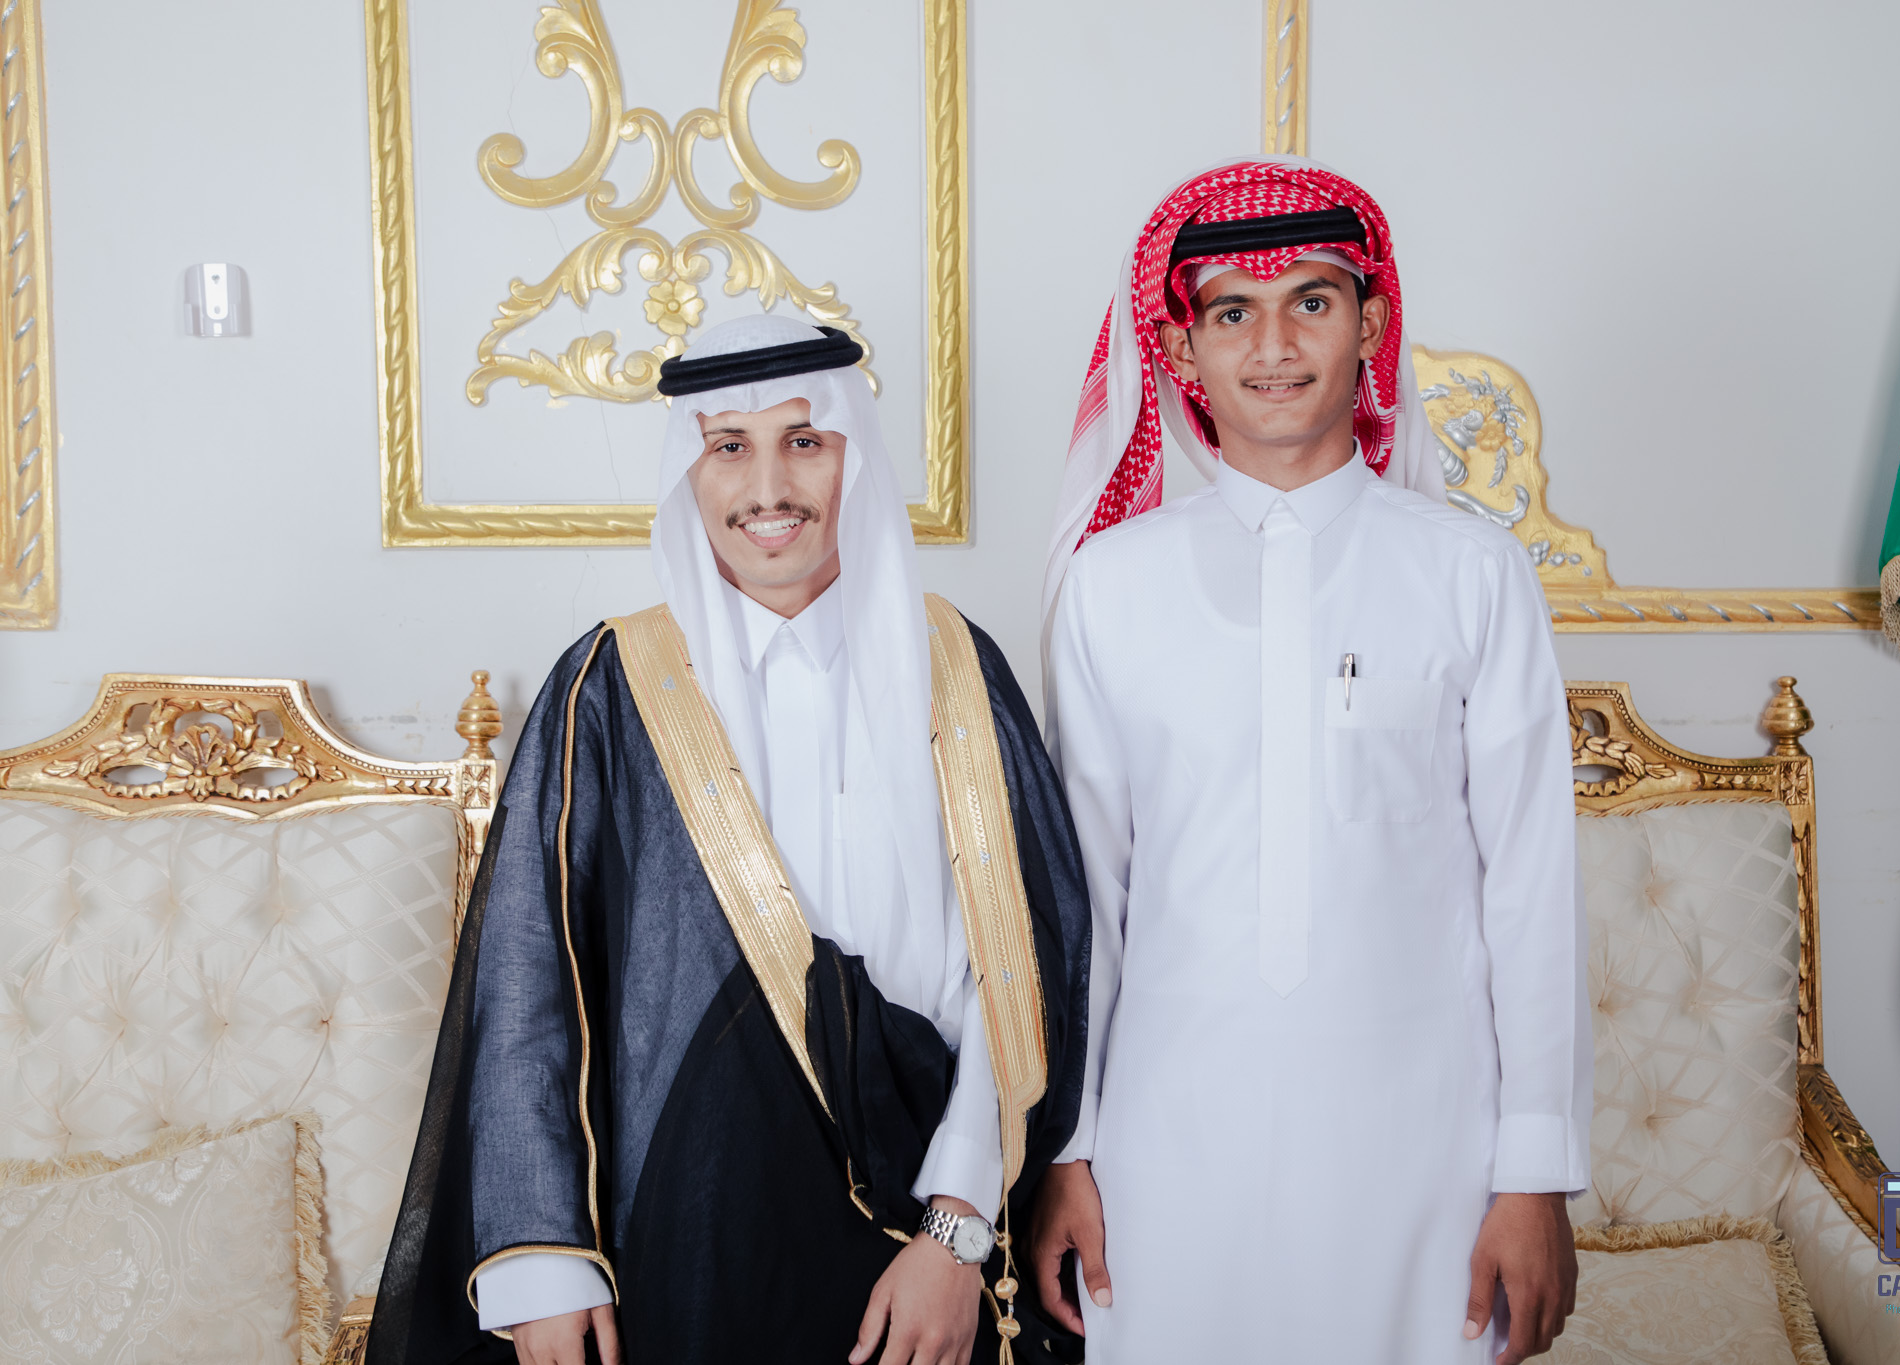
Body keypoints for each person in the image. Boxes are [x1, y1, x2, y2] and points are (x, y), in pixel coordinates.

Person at [365, 315, 1090, 1365]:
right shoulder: (611, 685)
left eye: (805, 441)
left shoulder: (955, 667)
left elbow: (1018, 966)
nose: (768, 488)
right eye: (729, 447)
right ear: (689, 473)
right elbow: (529, 982)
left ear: (854, 457)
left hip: (931, 1230)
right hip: (694, 1227)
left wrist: (955, 1233)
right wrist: (547, 1257)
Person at [1030, 158, 1591, 1364]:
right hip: (1168, 1149)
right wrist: (1066, 1155)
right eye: (1232, 310)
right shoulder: (1110, 588)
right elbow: (1085, 908)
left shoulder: (1469, 572)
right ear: (1180, 350)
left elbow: (1530, 890)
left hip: (1425, 1147)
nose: (1273, 344)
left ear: (1369, 326)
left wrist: (1534, 1175)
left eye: (1312, 302)